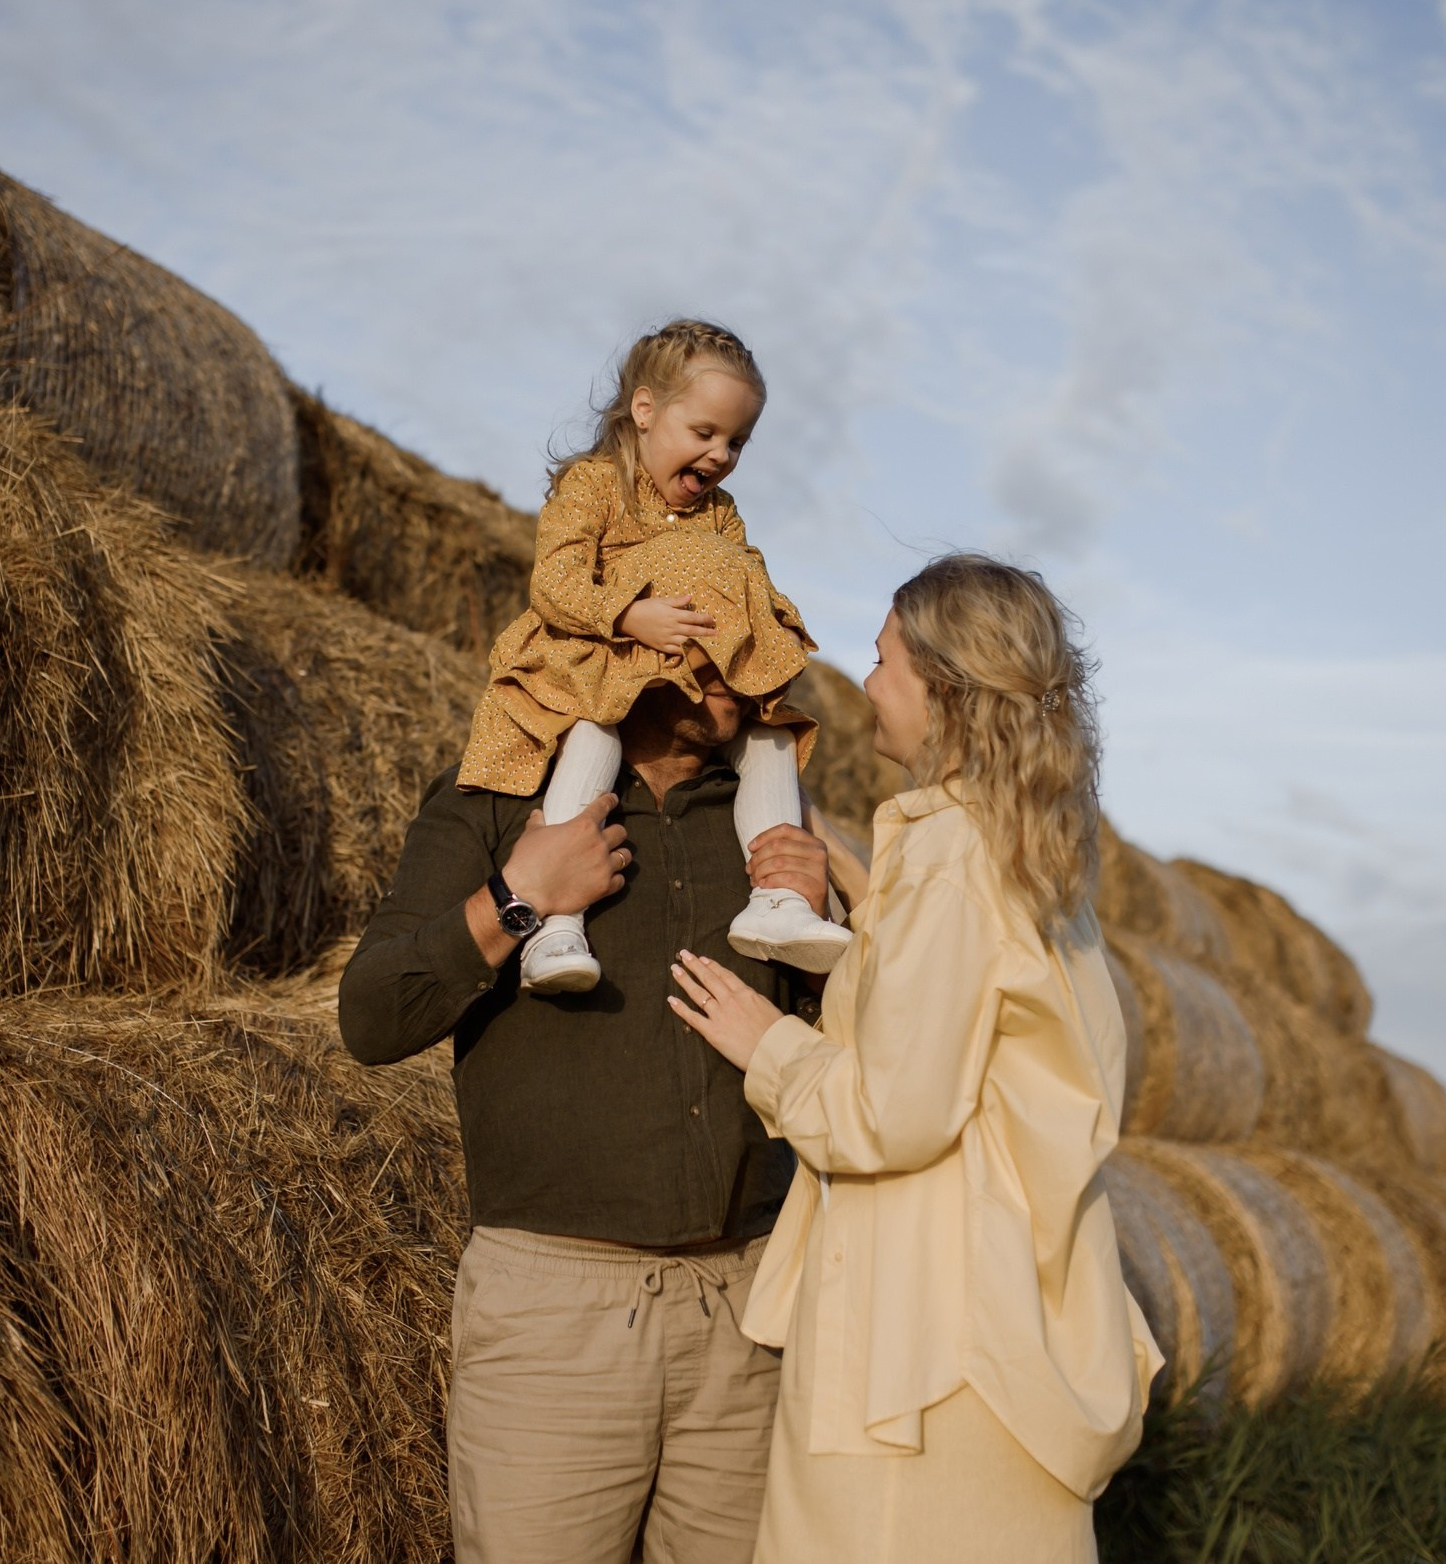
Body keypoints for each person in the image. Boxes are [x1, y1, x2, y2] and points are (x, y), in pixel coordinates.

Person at [668, 553, 1162, 1564]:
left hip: (918, 1345)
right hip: (1001, 1323)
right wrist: (866, 899)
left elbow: (892, 1113)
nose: (866, 682)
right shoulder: (1031, 854)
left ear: (945, 691)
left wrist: (770, 1048)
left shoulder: (952, 864)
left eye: (886, 659)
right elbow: (968, 1042)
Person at [339, 645, 839, 1564]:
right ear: (627, 644)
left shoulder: (771, 824)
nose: (747, 664)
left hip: (750, 1316)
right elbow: (372, 1014)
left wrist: (830, 926)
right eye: (714, 642)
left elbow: (854, 1069)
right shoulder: (494, 801)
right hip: (556, 1318)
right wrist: (519, 896)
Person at [458, 318, 852, 995]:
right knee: (595, 726)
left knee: (769, 738)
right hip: (598, 657)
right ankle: (556, 926)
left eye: (737, 441)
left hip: (689, 675)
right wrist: (630, 612)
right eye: (705, 433)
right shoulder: (594, 484)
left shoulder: (721, 513)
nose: (722, 454)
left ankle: (778, 900)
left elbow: (738, 578)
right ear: (645, 410)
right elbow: (552, 581)